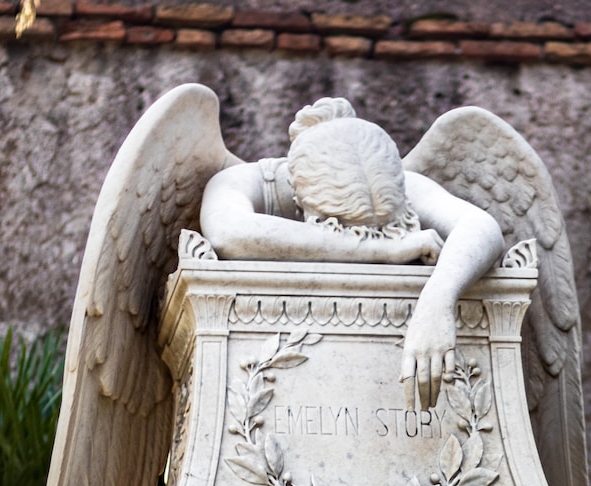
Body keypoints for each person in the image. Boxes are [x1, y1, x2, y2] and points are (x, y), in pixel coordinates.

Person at [199, 98, 504, 410]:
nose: (374, 236)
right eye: (342, 228)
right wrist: (385, 249)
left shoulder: (395, 179)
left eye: (388, 227)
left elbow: (481, 226)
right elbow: (227, 232)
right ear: (299, 200)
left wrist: (437, 301)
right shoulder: (242, 183)